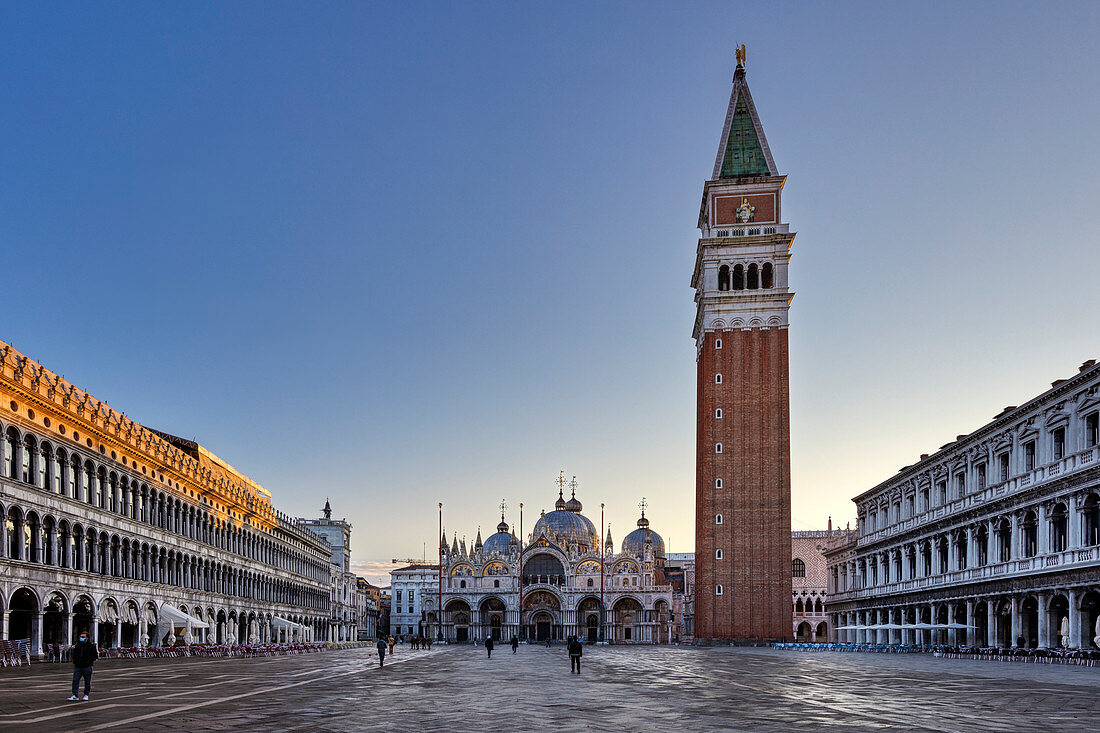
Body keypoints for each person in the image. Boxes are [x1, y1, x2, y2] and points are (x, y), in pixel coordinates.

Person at [69, 631, 98, 701]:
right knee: (75, 680)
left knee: (87, 681)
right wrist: (75, 661)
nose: (81, 638)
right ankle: (75, 695)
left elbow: (95, 656)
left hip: (87, 666)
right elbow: (74, 654)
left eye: (83, 637)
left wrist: (88, 661)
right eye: (80, 637)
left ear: (87, 638)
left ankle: (86, 694)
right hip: (78, 666)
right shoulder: (78, 645)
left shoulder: (91, 646)